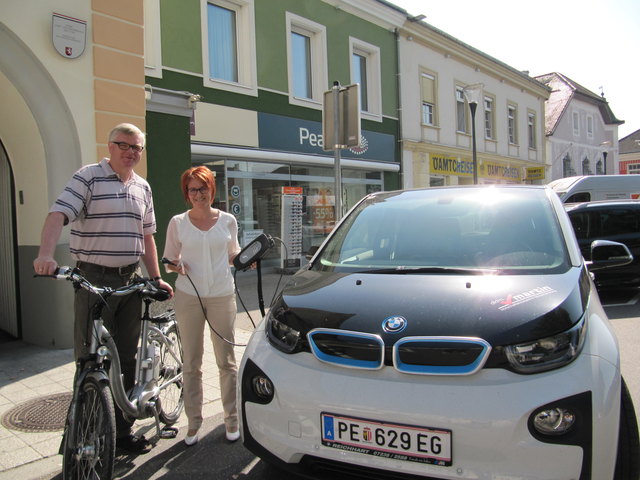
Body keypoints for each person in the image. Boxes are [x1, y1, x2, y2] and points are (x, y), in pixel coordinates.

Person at [33, 123, 174, 454]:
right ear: (110, 146)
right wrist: (44, 255)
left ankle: (121, 434)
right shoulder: (88, 177)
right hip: (93, 280)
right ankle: (81, 437)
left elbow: (147, 236)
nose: (130, 152)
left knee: (126, 357)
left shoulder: (143, 186)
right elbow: (57, 215)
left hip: (131, 280)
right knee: (89, 359)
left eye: (137, 147)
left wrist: (154, 277)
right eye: (123, 145)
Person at [162, 166, 241, 445]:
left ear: (211, 189)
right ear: (187, 193)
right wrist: (176, 265)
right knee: (192, 362)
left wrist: (243, 259)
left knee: (227, 361)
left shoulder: (228, 220)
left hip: (222, 295)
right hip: (188, 296)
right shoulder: (178, 222)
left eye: (203, 188)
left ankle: (231, 419)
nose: (198, 194)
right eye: (192, 189)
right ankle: (193, 423)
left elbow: (233, 254)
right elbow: (169, 259)